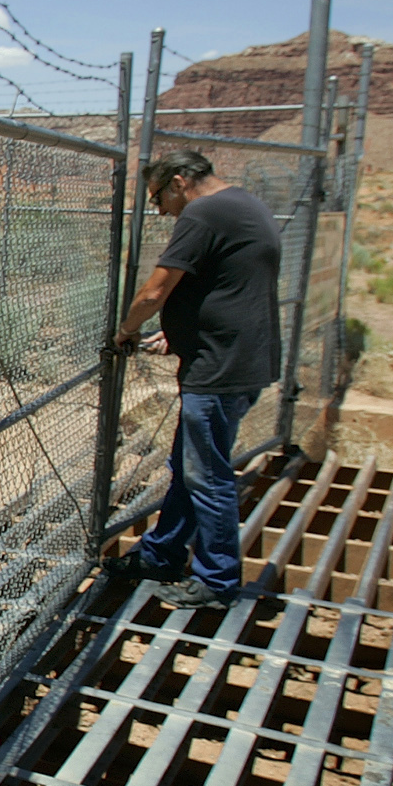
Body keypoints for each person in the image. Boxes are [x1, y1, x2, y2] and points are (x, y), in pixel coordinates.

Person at [103, 149, 283, 609]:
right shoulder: (243, 203)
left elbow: (155, 290)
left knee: (208, 476)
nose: (161, 209)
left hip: (219, 368)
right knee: (191, 468)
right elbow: (231, 285)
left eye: (160, 197)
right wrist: (183, 329)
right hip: (238, 359)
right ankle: (162, 554)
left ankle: (218, 581)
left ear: (180, 181)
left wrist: (126, 331)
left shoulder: (203, 213)